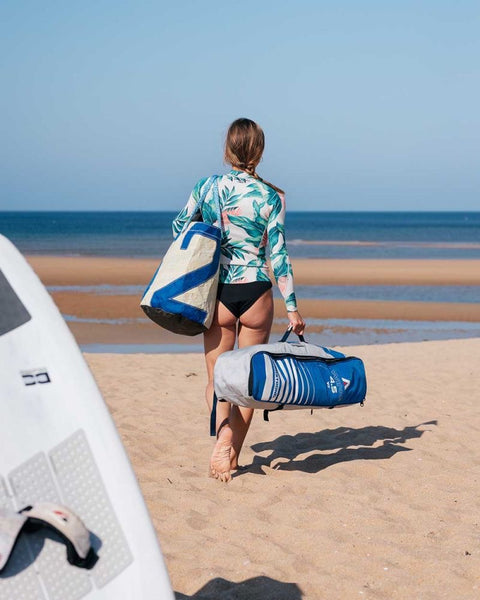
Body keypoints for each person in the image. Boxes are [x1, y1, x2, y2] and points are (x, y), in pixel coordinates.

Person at [172, 118, 305, 483]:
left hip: (219, 293)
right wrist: (292, 307)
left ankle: (223, 438)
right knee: (247, 383)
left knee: (218, 381)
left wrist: (212, 230)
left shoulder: (207, 187)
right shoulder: (271, 197)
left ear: (227, 149)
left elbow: (180, 228)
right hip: (256, 292)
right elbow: (279, 254)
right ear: (259, 152)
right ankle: (231, 458)